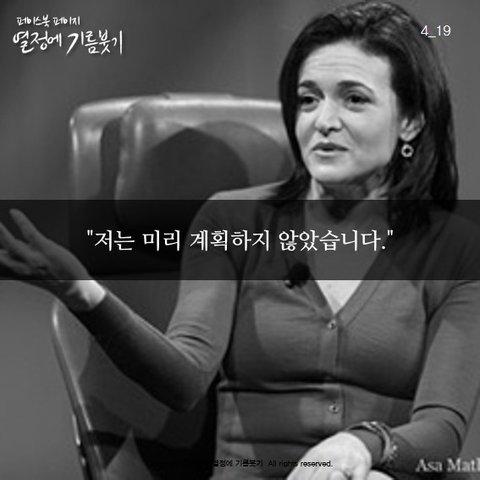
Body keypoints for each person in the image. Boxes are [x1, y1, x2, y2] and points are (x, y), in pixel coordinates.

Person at [0, 1, 479, 479]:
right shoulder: (232, 220)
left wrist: (362, 445)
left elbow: (441, 428)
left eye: (354, 99)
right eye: (308, 100)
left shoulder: (457, 251)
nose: (323, 120)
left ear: (411, 120)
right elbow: (185, 378)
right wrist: (83, 292)